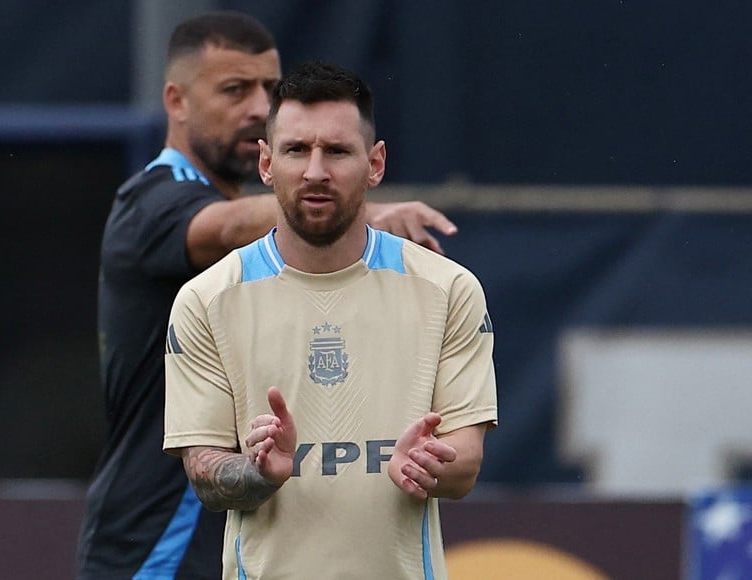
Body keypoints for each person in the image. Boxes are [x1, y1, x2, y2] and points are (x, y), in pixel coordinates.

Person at [77, 11, 460, 580]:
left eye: (267, 88)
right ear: (176, 101)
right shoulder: (151, 203)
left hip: (246, 535)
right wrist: (356, 212)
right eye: (234, 89)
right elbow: (227, 226)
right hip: (161, 540)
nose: (258, 107)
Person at [163, 61, 497, 580]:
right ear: (267, 162)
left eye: (337, 151)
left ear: (375, 163)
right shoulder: (207, 300)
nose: (315, 171)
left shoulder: (448, 290)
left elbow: (466, 464)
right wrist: (257, 471)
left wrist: (431, 463)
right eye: (297, 150)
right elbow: (204, 473)